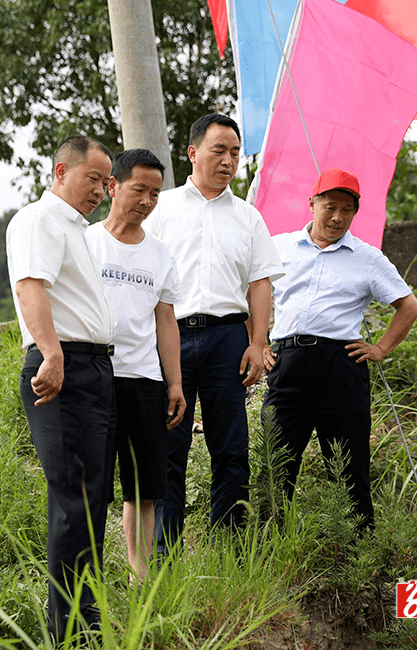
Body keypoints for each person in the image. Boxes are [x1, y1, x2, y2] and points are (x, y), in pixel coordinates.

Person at [144, 113, 283, 553]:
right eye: (219, 150)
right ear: (193, 152)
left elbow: (260, 283)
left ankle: (231, 552)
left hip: (229, 340)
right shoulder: (161, 209)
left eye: (236, 153)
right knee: (169, 449)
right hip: (171, 339)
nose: (228, 161)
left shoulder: (248, 217)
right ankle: (163, 557)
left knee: (231, 449)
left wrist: (257, 344)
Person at [261, 168, 417, 534]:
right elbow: (248, 294)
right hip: (287, 365)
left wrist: (381, 347)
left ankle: (357, 550)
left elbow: (408, 306)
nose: (336, 217)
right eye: (329, 206)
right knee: (275, 460)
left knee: (349, 464)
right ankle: (270, 547)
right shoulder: (279, 247)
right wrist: (256, 344)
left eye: (346, 210)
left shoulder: (368, 258)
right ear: (312, 204)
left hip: (341, 367)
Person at [5, 135, 116, 643]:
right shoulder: (40, 220)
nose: (101, 190)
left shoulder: (78, 230)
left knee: (93, 499)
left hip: (93, 369)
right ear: (61, 171)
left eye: (105, 181)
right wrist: (52, 353)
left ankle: (87, 621)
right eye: (93, 178)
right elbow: (32, 286)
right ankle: (67, 632)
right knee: (73, 498)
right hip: (63, 365)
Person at [86, 148, 186, 582]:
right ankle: (87, 569)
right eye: (138, 190)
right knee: (93, 480)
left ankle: (138, 571)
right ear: (113, 187)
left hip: (144, 378)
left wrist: (175, 383)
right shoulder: (86, 242)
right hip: (94, 374)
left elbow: (166, 321)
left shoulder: (160, 254)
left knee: (144, 485)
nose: (146, 201)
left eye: (155, 193)